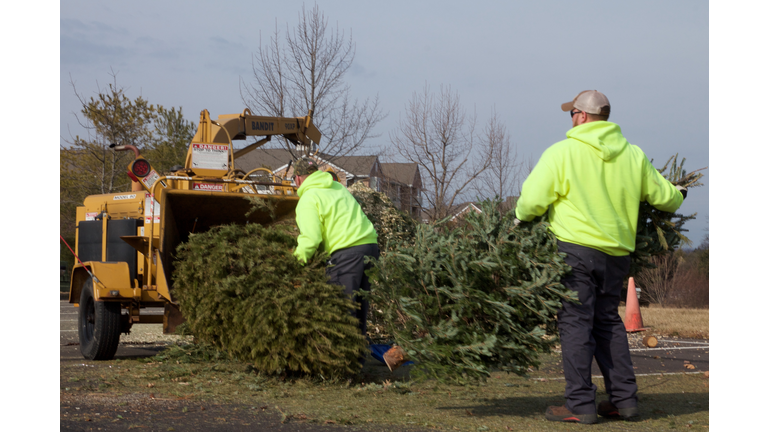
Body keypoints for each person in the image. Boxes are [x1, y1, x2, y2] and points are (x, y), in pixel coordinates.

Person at [514, 90, 687, 424]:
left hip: (574, 251)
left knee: (576, 324)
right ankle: (625, 401)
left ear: (580, 116)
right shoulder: (633, 156)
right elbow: (665, 197)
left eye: (571, 114)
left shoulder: (562, 153)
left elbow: (532, 200)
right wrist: (678, 194)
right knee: (608, 322)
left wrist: (519, 219)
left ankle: (580, 405)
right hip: (616, 254)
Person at [292, 158, 380, 341]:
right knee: (359, 309)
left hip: (347, 254)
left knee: (340, 311)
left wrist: (294, 265)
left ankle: (343, 365)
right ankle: (357, 362)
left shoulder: (309, 198)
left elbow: (311, 239)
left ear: (298, 179)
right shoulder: (338, 188)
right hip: (370, 248)